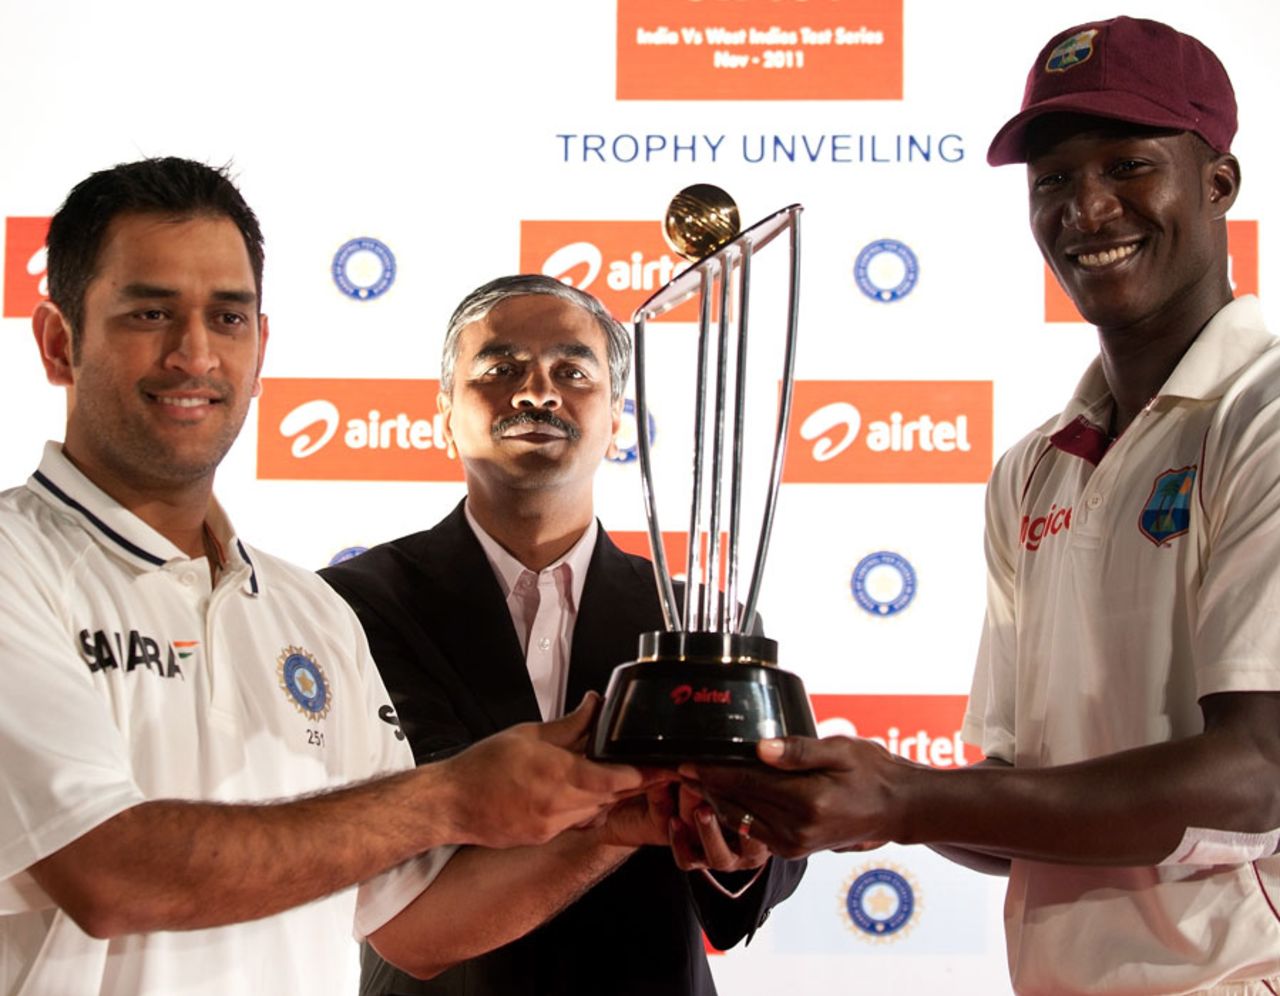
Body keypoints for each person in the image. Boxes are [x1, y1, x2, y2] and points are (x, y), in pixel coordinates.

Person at [682, 17, 1280, 995]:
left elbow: (1256, 781)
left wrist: (905, 800)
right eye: (1051, 182)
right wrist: (842, 806)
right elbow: (1020, 812)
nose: (1084, 209)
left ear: (1216, 182)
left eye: (1126, 165)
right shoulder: (1029, 471)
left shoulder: (1260, 412)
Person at [0, 158, 652, 996]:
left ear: (261, 346)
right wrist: (450, 796)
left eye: (227, 317)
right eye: (151, 312)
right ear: (60, 342)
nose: (194, 353)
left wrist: (622, 824)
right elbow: (113, 874)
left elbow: (414, 925)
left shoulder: (309, 609)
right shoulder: (17, 562)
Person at [320, 274, 804, 995]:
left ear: (617, 422)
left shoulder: (701, 624)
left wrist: (742, 842)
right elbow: (404, 846)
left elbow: (762, 855)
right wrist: (637, 800)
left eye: (572, 372)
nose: (536, 393)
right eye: (501, 369)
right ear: (444, 415)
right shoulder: (353, 606)